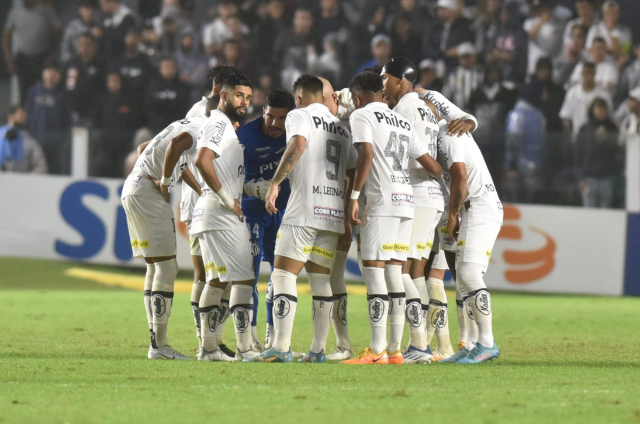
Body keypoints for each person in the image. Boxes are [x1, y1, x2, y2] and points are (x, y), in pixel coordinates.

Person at [245, 75, 353, 363]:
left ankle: (280, 346)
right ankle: (318, 350)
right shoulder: (341, 127)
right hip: (332, 213)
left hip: (304, 210)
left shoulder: (299, 115)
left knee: (283, 274)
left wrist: (277, 182)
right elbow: (352, 171)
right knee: (320, 280)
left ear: (300, 98)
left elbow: (297, 146)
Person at [342, 71, 441, 365]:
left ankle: (375, 350)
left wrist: (354, 196)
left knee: (373, 272)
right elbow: (434, 168)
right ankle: (395, 350)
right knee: (395, 274)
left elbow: (367, 155)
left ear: (357, 98)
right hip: (407, 201)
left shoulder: (361, 116)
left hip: (381, 201)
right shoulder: (402, 120)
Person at [121, 107, 208, 360]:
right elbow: (176, 149)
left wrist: (200, 191)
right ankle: (159, 346)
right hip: (148, 191)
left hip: (133, 186)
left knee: (155, 267)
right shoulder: (200, 129)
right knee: (168, 268)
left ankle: (156, 341)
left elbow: (143, 148)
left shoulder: (179, 124)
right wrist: (165, 181)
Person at [380, 57, 447, 363]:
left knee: (399, 268)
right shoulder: (425, 108)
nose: (382, 85)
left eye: (385, 79)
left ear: (398, 80)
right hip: (431, 197)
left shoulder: (403, 109)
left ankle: (419, 344)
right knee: (417, 271)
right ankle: (433, 344)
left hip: (417, 193)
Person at [190, 72, 257, 362]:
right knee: (243, 279)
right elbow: (201, 160)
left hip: (211, 211)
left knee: (216, 281)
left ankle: (209, 347)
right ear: (224, 95)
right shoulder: (218, 122)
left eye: (249, 97)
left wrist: (255, 188)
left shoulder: (227, 127)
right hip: (220, 213)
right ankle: (245, 348)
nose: (245, 102)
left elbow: (226, 172)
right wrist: (228, 199)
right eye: (239, 95)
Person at [183, 65, 240, 359]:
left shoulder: (212, 115)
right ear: (221, 91)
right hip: (201, 198)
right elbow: (187, 156)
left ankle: (212, 339)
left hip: (206, 197)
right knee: (207, 275)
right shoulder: (202, 114)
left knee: (218, 275)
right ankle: (205, 341)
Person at [436, 124, 504, 364]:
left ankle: (487, 342)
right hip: (471, 209)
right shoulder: (450, 132)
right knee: (463, 281)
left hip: (480, 208)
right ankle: (473, 344)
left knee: (469, 273)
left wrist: (452, 215)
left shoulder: (447, 134)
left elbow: (460, 176)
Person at [236, 89, 295, 349]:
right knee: (250, 275)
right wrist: (250, 187)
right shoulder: (245, 137)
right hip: (252, 211)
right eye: (270, 116)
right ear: (263, 112)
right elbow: (227, 176)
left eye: (281, 118)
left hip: (283, 212)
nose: (275, 124)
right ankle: (250, 337)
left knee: (279, 274)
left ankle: (274, 337)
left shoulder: (297, 134)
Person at [2, 0, 62, 102]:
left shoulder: (46, 11)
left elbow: (59, 31)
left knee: (43, 93)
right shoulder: (15, 12)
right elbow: (6, 37)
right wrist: (9, 60)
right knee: (25, 94)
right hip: (23, 60)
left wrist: (53, 53)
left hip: (42, 59)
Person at [25, 64, 71, 175]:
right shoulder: (34, 92)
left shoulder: (63, 94)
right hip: (36, 137)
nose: (51, 74)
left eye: (55, 71)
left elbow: (67, 118)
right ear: (43, 73)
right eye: (48, 70)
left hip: (57, 141)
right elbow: (27, 112)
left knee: (55, 169)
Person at [577, 98, 619, 208]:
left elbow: (617, 150)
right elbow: (578, 154)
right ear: (593, 110)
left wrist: (608, 138)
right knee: (589, 210)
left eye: (604, 108)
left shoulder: (612, 128)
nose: (602, 111)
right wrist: (581, 177)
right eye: (599, 108)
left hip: (607, 176)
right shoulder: (585, 129)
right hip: (589, 177)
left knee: (606, 209)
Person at [560, 61, 612, 136]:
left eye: (591, 73)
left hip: (598, 137)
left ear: (595, 74)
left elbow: (608, 117)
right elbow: (567, 118)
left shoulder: (604, 95)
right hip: (577, 136)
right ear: (582, 74)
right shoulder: (572, 93)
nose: (588, 76)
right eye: (586, 73)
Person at [64, 33, 106, 126]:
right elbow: (66, 86)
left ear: (94, 47)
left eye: (87, 44)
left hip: (92, 114)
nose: (84, 48)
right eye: (81, 44)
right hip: (72, 112)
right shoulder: (71, 64)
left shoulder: (100, 66)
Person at [422, 0, 474, 74]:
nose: (440, 13)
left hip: (454, 64)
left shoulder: (462, 28)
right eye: (439, 10)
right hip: (435, 62)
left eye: (444, 9)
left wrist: (456, 51)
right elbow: (427, 48)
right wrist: (444, 54)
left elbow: (464, 47)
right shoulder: (434, 28)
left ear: (452, 10)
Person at [116, 29, 157, 122]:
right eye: (129, 39)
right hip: (121, 102)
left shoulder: (145, 61)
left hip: (140, 104)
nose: (131, 42)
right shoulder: (119, 61)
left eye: (134, 39)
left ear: (139, 41)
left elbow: (148, 84)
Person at [484, 0, 528, 84]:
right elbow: (488, 55)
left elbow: (514, 57)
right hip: (496, 78)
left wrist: (497, 54)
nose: (502, 16)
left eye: (506, 13)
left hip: (514, 79)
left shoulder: (520, 33)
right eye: (502, 13)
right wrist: (501, 55)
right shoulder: (498, 30)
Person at [146, 56, 190, 133]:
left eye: (172, 67)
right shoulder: (153, 86)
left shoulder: (182, 86)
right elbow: (149, 107)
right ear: (160, 69)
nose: (169, 70)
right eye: (166, 67)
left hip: (177, 127)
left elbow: (184, 108)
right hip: (156, 127)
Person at [0, 106, 47, 174]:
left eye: (25, 115)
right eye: (21, 114)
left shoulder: (29, 140)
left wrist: (25, 179)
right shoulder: (1, 134)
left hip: (21, 180)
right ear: (11, 116)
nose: (24, 118)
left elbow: (41, 166)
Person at [442, 42, 483, 111]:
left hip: (478, 111)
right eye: (464, 57)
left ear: (474, 57)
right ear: (459, 58)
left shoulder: (480, 72)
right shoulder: (454, 74)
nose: (466, 60)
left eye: (468, 56)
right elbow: (446, 94)